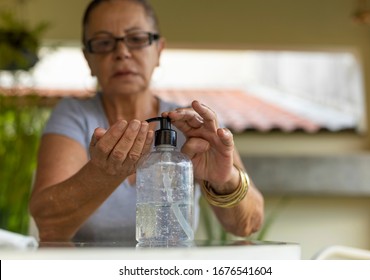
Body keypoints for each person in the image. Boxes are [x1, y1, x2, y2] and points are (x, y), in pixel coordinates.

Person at [29, 0, 264, 242]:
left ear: (159, 50)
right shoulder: (74, 115)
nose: (122, 52)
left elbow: (249, 224)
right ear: (88, 58)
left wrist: (225, 180)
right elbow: (48, 225)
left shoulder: (192, 128)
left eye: (137, 39)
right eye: (104, 42)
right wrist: (104, 172)